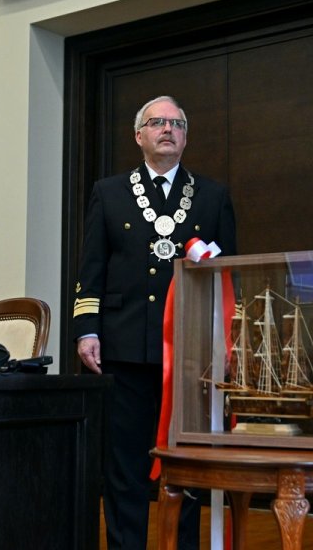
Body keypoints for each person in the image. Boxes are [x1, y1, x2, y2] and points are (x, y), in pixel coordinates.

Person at [73, 96, 237, 549]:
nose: (167, 129)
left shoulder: (212, 195)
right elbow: (92, 266)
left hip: (188, 350)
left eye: (176, 123)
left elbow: (229, 277)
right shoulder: (108, 192)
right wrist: (87, 329)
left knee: (182, 463)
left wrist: (227, 341)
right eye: (157, 122)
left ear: (185, 135)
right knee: (123, 462)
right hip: (122, 346)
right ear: (139, 135)